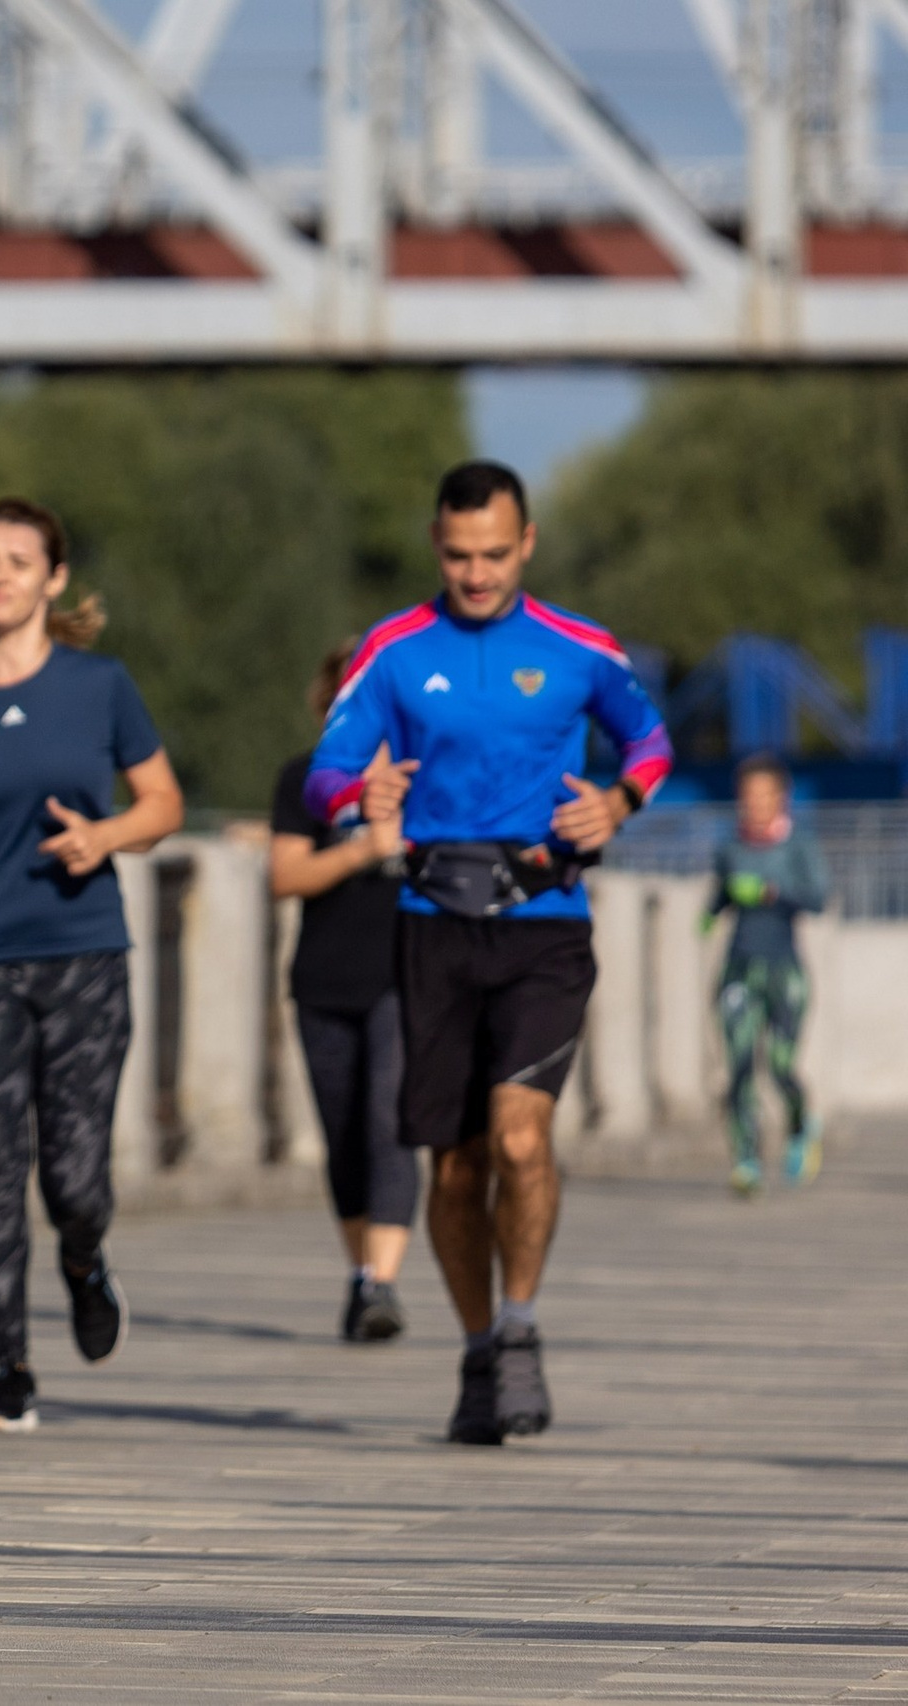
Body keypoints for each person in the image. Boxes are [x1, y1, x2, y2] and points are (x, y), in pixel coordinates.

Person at [306, 460, 671, 1448]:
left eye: (495, 554)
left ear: (529, 542)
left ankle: (520, 1326)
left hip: (545, 919)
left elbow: (649, 741)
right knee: (458, 1167)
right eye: (460, 555)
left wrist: (621, 801)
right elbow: (325, 769)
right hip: (434, 922)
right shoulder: (391, 649)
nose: (477, 573)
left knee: (520, 1137)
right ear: (438, 544)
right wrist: (357, 798)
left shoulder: (579, 647)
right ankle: (476, 1349)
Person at [0, 497, 186, 1433]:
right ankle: (8, 1368)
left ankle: (82, 1259)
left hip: (82, 956)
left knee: (73, 1178)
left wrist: (102, 835)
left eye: (17, 561)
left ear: (51, 578)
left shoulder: (99, 687)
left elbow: (162, 806)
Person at [271, 640, 415, 1343]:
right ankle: (361, 1275)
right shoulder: (305, 780)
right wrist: (362, 848)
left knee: (389, 1122)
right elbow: (284, 875)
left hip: (407, 976)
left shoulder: (429, 779)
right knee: (343, 1138)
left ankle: (381, 1282)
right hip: (323, 980)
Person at [711, 753, 828, 1196]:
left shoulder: (799, 846)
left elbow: (817, 899)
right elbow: (717, 898)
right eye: (748, 795)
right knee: (740, 1065)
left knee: (780, 1064)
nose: (755, 803)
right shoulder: (730, 848)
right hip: (739, 965)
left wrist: (770, 893)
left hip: (784, 968)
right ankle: (746, 1159)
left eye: (764, 794)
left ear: (782, 797)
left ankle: (800, 1125)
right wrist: (710, 911)